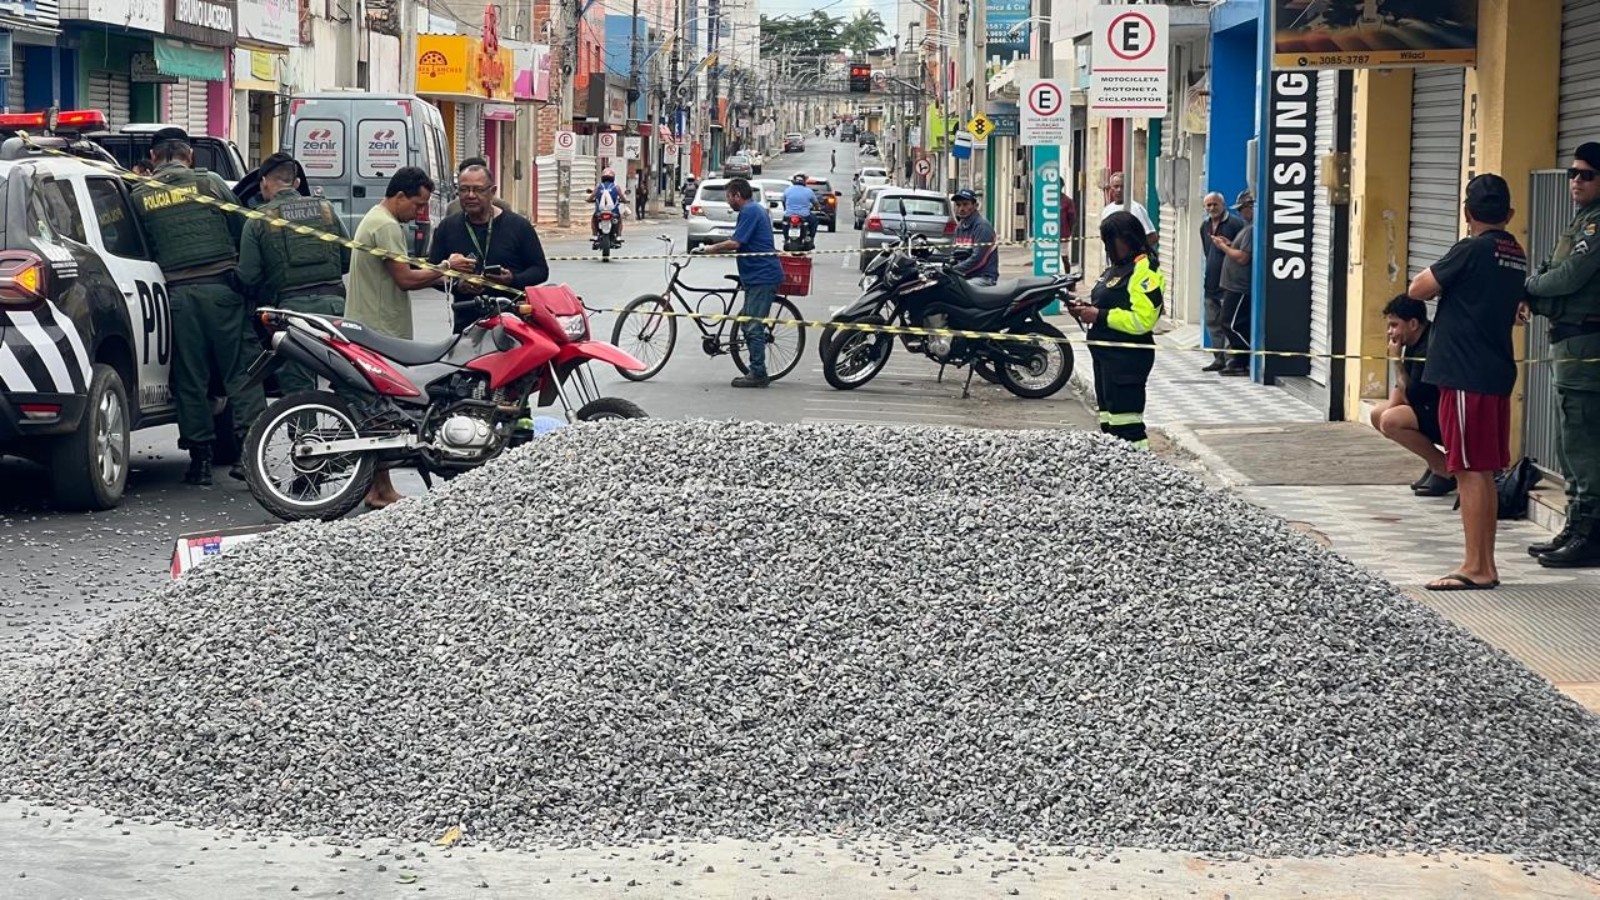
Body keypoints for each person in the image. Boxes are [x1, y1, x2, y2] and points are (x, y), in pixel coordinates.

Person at [1407, 173, 1528, 591]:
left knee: (1468, 470)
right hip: (1495, 371)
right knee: (1483, 468)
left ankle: (1477, 566)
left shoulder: (1471, 249)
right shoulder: (1515, 252)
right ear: (1509, 213)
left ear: (1466, 212)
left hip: (1464, 373)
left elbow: (1418, 288)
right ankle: (1484, 563)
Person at [129, 126, 263, 486]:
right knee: (241, 373)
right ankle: (251, 455)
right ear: (190, 156)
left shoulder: (140, 194)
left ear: (154, 158)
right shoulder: (211, 184)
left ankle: (199, 461)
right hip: (222, 293)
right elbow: (243, 228)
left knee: (191, 378)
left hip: (178, 298)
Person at [348, 167, 468, 510]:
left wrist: (446, 276)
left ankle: (380, 487)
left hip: (375, 325)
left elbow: (411, 275)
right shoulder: (385, 226)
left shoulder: (378, 219)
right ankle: (378, 488)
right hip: (380, 329)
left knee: (380, 409)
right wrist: (446, 267)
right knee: (381, 409)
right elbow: (405, 279)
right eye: (418, 204)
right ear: (400, 196)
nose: (419, 213)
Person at [1524, 141, 1600, 567]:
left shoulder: (1597, 224)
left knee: (1583, 439)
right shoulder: (1582, 220)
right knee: (1566, 438)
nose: (1575, 181)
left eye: (1586, 174)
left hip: (1586, 342)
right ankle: (1576, 521)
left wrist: (1527, 290)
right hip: (1568, 342)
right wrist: (1536, 287)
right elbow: (1550, 270)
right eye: (1572, 173)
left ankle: (1591, 529)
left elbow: (1569, 276)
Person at [236, 152, 351, 397]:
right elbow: (347, 259)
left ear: (264, 182)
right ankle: (357, 431)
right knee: (349, 379)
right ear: (297, 183)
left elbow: (248, 277)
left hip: (293, 313)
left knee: (298, 388)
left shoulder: (258, 221)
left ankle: (305, 435)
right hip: (334, 310)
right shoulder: (326, 209)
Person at [1069, 211, 1164, 449]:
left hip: (1127, 358)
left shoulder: (1145, 270)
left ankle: (1140, 467)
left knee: (1127, 426)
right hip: (1105, 356)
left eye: (1112, 242)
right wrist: (1085, 310)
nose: (1109, 248)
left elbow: (1143, 320)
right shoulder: (1116, 268)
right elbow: (1110, 302)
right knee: (1109, 422)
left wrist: (1100, 315)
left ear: (1129, 238)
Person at [428, 163, 551, 334]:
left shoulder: (519, 226)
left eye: (478, 190)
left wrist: (512, 279)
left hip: (514, 324)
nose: (470, 195)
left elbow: (540, 271)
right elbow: (433, 273)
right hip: (467, 325)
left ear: (492, 192)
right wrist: (458, 285)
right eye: (464, 190)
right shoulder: (447, 228)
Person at [700, 177, 784, 388]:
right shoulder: (755, 210)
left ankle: (758, 373)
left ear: (737, 195)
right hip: (755, 276)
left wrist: (711, 248)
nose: (728, 202)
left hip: (762, 276)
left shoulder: (750, 211)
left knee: (753, 326)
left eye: (729, 197)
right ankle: (755, 369)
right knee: (748, 323)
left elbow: (736, 242)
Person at [1369, 295, 1449, 495]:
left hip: (1446, 414)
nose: (1390, 332)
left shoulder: (1428, 346)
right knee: (1378, 414)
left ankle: (1445, 468)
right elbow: (1402, 390)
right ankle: (1434, 462)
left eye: (1394, 325)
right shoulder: (1414, 340)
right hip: (1428, 407)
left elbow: (1413, 395)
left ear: (1413, 323)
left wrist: (1396, 361)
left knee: (1390, 421)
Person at [1199, 191, 1245, 371]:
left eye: (1215, 204)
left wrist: (1227, 245)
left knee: (1228, 323)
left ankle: (1230, 359)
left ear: (1223, 205)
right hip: (1211, 282)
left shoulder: (1235, 224)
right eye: (1208, 205)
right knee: (1213, 322)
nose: (1211, 208)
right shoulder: (1205, 226)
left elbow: (1242, 249)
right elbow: (1207, 251)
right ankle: (1218, 358)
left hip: (1229, 283)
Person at [1211, 190, 1255, 376]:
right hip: (1231, 284)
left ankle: (1244, 358)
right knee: (1227, 321)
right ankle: (1238, 360)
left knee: (1231, 323)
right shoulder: (1247, 228)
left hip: (1240, 286)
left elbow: (1243, 257)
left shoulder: (1252, 230)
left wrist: (1223, 248)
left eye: (1243, 209)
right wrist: (1229, 245)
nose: (1240, 213)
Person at [950, 189, 999, 285]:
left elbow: (978, 260)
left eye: (965, 204)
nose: (961, 208)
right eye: (958, 205)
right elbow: (954, 254)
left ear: (975, 206)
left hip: (982, 277)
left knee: (959, 292)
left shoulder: (982, 227)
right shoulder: (960, 227)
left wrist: (953, 270)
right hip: (964, 276)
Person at [1099, 172, 1158, 250]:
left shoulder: (1136, 208)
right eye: (1116, 186)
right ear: (1111, 189)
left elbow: (1152, 237)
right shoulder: (1106, 210)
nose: (1119, 190)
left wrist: (1134, 251)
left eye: (1122, 187)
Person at [444, 157, 513, 218]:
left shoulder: (502, 206)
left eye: (479, 189)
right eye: (464, 189)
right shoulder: (452, 211)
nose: (471, 195)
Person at [588, 167, 625, 245]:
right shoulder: (616, 187)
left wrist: (588, 200)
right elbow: (622, 197)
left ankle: (595, 235)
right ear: (613, 178)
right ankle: (618, 236)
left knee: (593, 219)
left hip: (600, 212)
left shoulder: (598, 186)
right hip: (614, 212)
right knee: (620, 220)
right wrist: (625, 201)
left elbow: (592, 196)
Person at [782, 172, 817, 239]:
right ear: (804, 181)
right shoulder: (809, 191)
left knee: (784, 223)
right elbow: (815, 202)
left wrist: (786, 209)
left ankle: (786, 238)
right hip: (804, 215)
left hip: (789, 214)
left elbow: (783, 201)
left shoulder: (787, 190)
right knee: (814, 221)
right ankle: (810, 237)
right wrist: (818, 207)